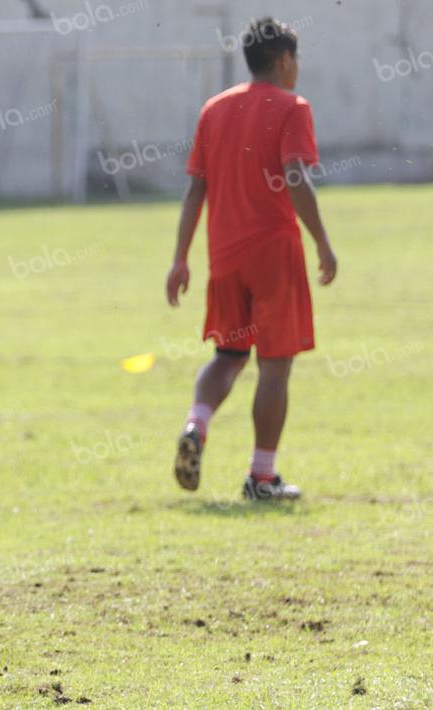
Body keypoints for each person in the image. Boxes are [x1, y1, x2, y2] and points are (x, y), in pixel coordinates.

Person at [167, 16, 338, 501]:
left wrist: (180, 258)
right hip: (274, 254)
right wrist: (322, 241)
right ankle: (262, 477)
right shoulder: (292, 107)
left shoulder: (214, 109)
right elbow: (295, 176)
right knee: (275, 367)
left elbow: (195, 188)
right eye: (296, 59)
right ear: (284, 60)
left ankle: (196, 425)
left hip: (224, 257)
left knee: (227, 356)